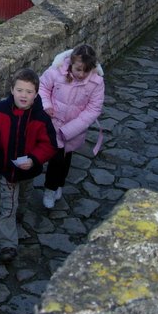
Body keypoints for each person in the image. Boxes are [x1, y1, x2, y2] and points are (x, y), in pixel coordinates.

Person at [0, 68, 58, 263]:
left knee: (24, 195)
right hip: (7, 168)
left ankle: (21, 213)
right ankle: (8, 244)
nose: (23, 95)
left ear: (36, 94)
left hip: (29, 169)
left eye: (29, 92)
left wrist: (34, 159)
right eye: (20, 90)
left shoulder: (41, 118)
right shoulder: (2, 109)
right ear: (12, 90)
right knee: (8, 207)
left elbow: (50, 144)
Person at [38, 45, 105, 209]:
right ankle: (50, 188)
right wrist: (46, 105)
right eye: (78, 69)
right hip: (53, 124)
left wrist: (70, 130)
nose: (81, 74)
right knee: (56, 157)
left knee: (66, 157)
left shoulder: (96, 82)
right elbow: (42, 87)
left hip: (74, 129)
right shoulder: (56, 71)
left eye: (86, 71)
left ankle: (59, 184)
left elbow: (93, 109)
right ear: (71, 63)